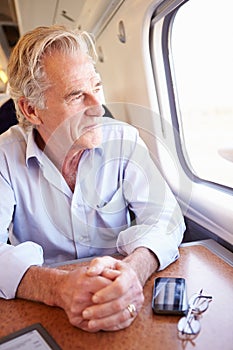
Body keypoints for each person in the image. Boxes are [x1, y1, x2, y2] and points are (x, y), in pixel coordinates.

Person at [0, 25, 185, 332]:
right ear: (31, 110)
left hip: (123, 297)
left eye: (96, 87)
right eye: (76, 96)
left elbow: (166, 217)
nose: (98, 107)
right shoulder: (4, 157)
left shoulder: (124, 140)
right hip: (44, 310)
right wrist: (56, 287)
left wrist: (133, 271)